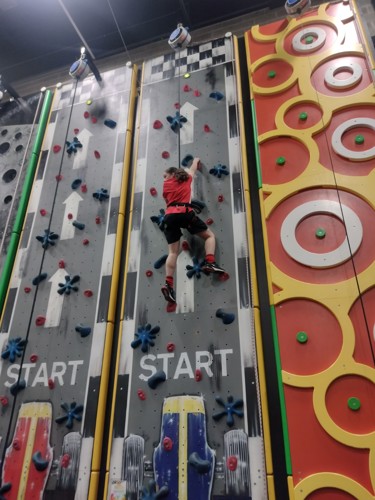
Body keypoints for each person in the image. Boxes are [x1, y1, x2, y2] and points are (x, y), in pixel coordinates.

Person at [161, 157, 225, 303]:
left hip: (169, 216)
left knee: (172, 252)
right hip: (184, 213)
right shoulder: (186, 179)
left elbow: (169, 201)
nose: (164, 179)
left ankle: (169, 285)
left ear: (172, 174)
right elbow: (193, 169)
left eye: (165, 176)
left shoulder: (166, 188)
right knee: (209, 236)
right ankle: (210, 261)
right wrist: (196, 160)